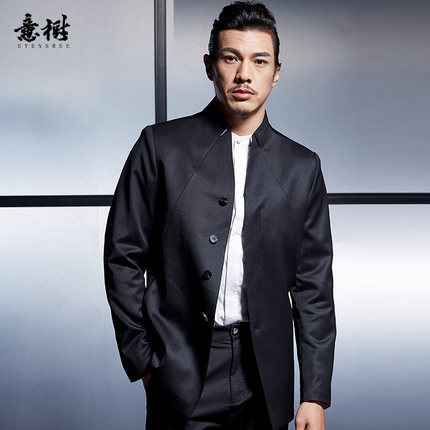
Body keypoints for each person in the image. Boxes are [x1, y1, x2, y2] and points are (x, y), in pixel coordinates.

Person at [103, 2, 336, 429]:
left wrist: (314, 395)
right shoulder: (160, 148)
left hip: (264, 375)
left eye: (259, 61)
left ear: (276, 72)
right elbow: (123, 255)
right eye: (231, 58)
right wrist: (145, 359)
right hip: (181, 366)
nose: (244, 74)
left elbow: (313, 287)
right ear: (210, 66)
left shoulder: (302, 167)